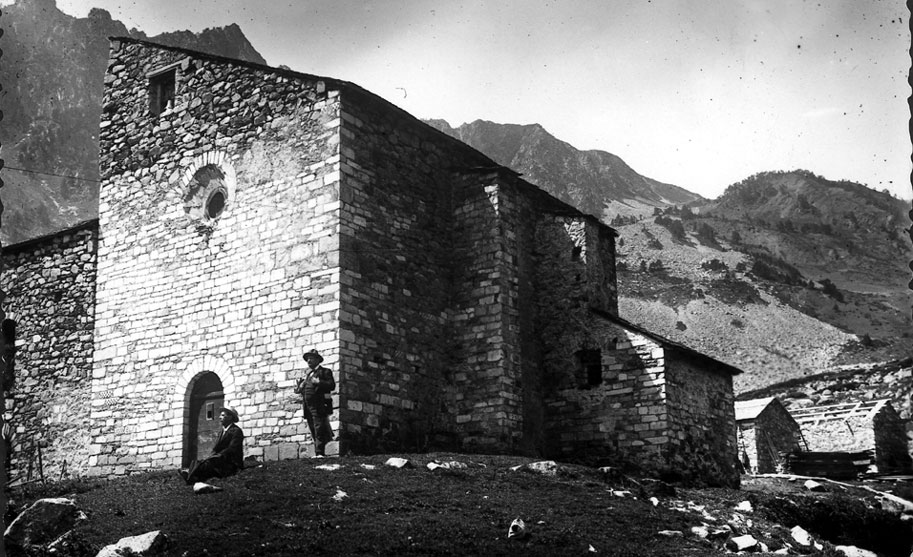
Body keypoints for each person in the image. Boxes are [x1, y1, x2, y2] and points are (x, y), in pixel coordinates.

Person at [181, 407, 244, 484]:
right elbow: (216, 448)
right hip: (221, 460)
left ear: (230, 417)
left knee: (210, 464)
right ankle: (192, 475)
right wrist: (213, 455)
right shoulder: (222, 431)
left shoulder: (236, 431)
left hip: (231, 463)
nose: (219, 417)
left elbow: (232, 449)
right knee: (204, 462)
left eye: (223, 415)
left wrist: (218, 456)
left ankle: (190, 474)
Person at [294, 348, 335, 457]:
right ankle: (318, 450)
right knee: (313, 427)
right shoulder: (308, 375)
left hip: (319, 404)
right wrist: (300, 389)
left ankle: (319, 452)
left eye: (311, 358)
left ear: (317, 360)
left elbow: (331, 385)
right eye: (307, 359)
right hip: (308, 406)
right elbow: (306, 390)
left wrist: (319, 382)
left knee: (319, 427)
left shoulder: (325, 371)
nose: (308, 361)